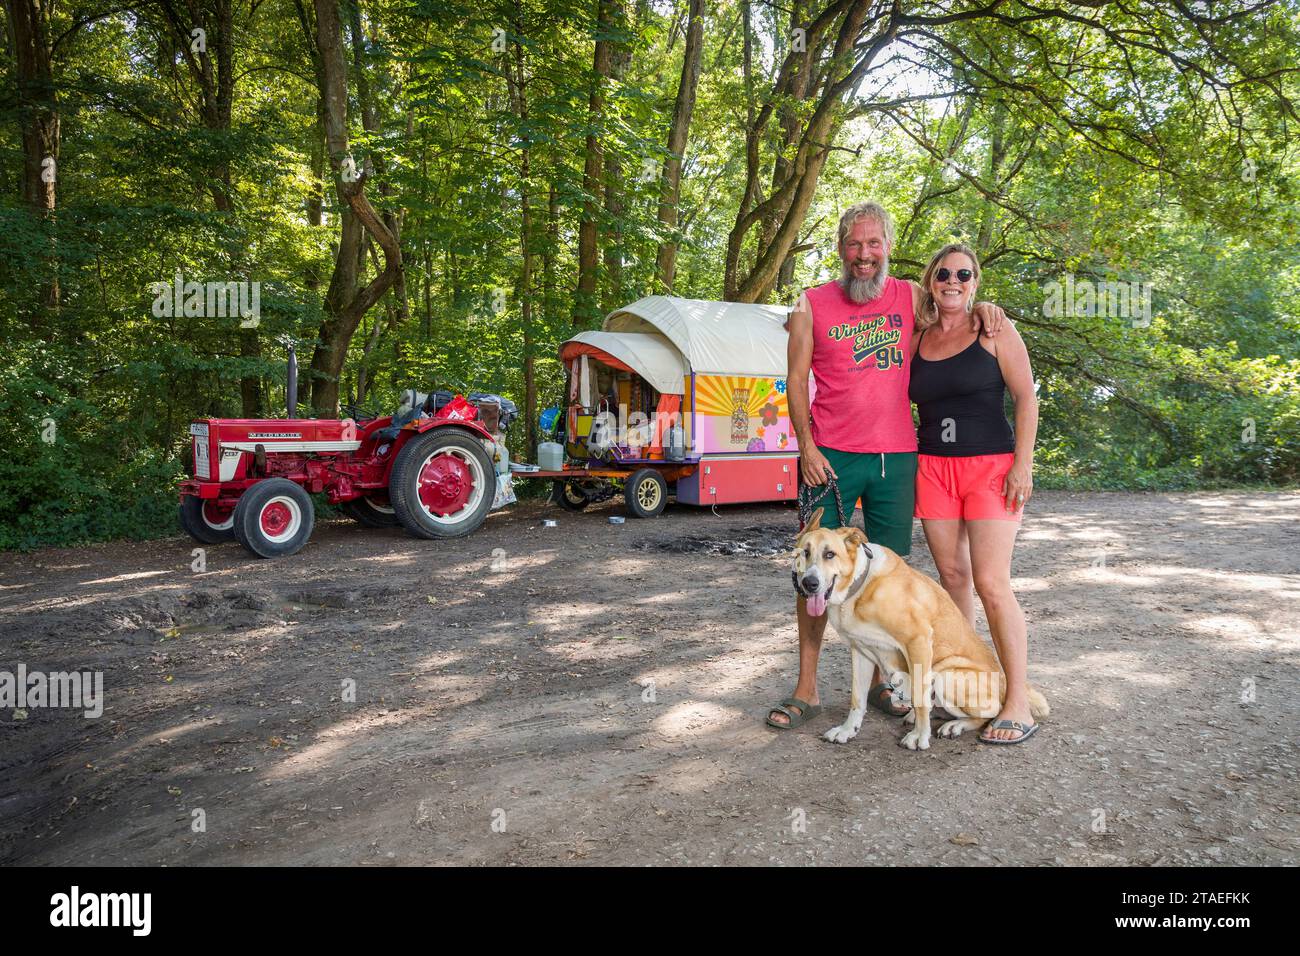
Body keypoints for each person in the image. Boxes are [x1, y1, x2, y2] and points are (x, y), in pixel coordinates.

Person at [766, 203, 1006, 730]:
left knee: (886, 578)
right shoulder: (811, 305)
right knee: (814, 571)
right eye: (854, 245)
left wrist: (987, 309)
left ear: (888, 248)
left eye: (874, 244)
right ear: (840, 249)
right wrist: (806, 447)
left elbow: (954, 306)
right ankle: (806, 690)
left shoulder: (910, 296)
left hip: (898, 458)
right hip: (828, 459)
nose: (864, 255)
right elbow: (796, 380)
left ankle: (880, 686)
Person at [909, 242, 1041, 743]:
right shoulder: (916, 340)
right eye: (943, 273)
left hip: (990, 468)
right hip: (933, 469)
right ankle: (964, 687)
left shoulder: (995, 330)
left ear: (975, 282)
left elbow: (1026, 397)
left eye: (964, 275)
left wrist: (1022, 465)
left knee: (991, 582)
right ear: (930, 280)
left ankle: (1018, 702)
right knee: (953, 579)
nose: (953, 281)